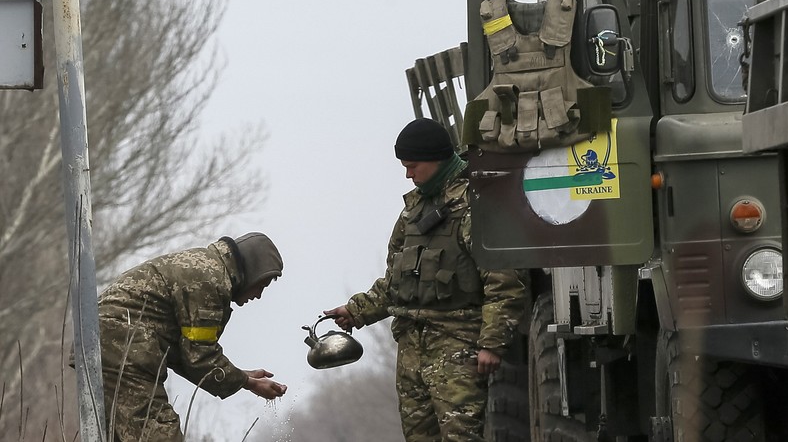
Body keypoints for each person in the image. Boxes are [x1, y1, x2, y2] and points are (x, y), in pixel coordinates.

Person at [324, 118, 527, 442]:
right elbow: (396, 282)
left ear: (436, 159)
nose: (408, 174)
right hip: (411, 350)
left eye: (413, 166)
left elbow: (504, 284)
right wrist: (356, 311)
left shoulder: (476, 206)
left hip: (457, 345)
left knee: (461, 437)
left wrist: (491, 344)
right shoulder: (412, 213)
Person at [97, 232, 287, 441]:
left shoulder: (205, 266)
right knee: (160, 434)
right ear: (252, 271)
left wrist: (242, 376)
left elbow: (186, 353)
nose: (258, 295)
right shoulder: (211, 280)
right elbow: (200, 356)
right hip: (124, 348)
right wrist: (249, 383)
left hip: (110, 345)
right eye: (262, 285)